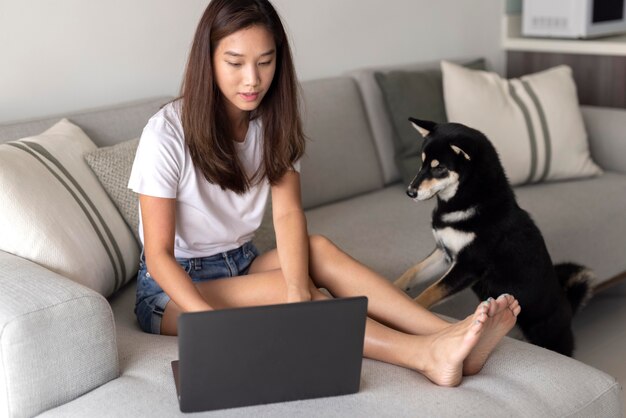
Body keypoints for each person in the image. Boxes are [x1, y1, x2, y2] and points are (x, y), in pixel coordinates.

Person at [128, 0, 521, 387]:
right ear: (208, 60)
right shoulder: (166, 133)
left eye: (265, 62)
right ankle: (424, 355)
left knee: (316, 250)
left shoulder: (271, 123)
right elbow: (160, 256)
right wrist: (210, 322)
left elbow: (287, 216)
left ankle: (452, 335)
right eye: (235, 63)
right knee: (287, 287)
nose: (252, 79)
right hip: (172, 291)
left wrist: (301, 289)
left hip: (239, 263)